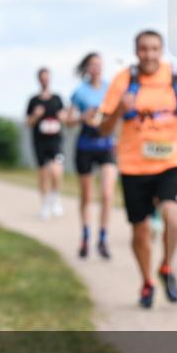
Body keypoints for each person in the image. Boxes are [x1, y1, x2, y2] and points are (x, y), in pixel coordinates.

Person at [98, 30, 177, 308]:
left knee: (174, 218)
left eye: (155, 49)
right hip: (134, 166)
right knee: (141, 232)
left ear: (162, 50)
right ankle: (147, 281)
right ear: (136, 51)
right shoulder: (124, 81)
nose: (149, 54)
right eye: (144, 49)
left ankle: (166, 266)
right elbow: (103, 128)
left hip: (172, 161)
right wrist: (120, 109)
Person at [68, 52, 116, 259]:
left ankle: (103, 238)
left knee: (107, 194)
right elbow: (68, 120)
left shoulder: (110, 89)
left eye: (99, 64)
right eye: (92, 65)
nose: (96, 68)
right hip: (85, 147)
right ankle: (85, 236)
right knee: (86, 196)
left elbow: (116, 114)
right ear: (87, 68)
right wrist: (82, 117)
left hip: (106, 146)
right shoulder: (79, 92)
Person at [26, 68, 66, 220]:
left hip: (55, 140)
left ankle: (55, 198)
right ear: (38, 80)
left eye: (47, 78)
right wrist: (36, 116)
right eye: (42, 78)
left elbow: (64, 118)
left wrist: (66, 116)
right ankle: (44, 205)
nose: (44, 81)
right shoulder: (33, 101)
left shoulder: (57, 99)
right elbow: (28, 122)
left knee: (56, 171)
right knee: (43, 174)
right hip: (40, 141)